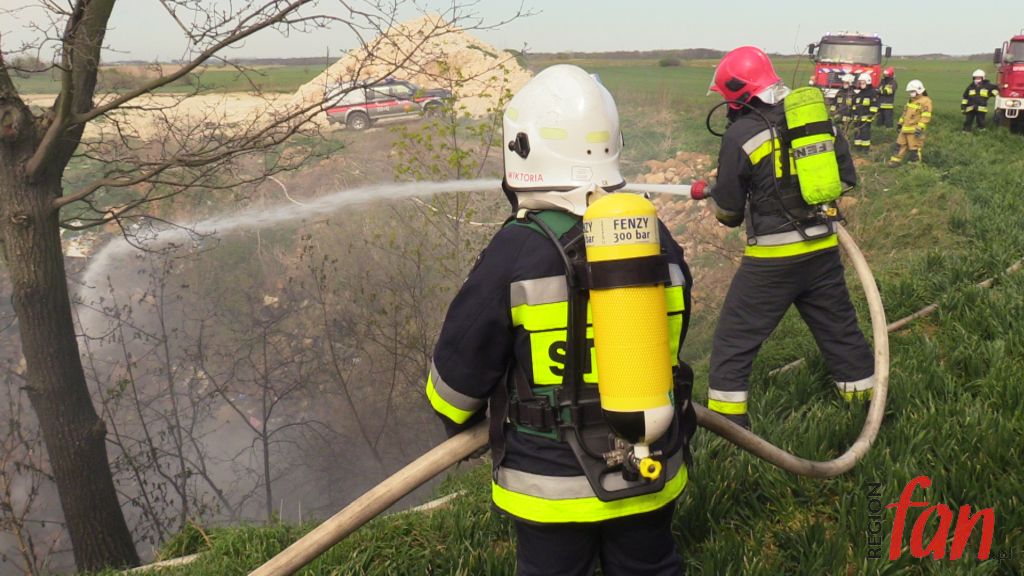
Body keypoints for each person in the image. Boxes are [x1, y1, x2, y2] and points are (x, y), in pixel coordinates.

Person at [425, 64, 696, 576]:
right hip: (650, 463)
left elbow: (457, 380)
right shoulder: (655, 237)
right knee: (651, 567)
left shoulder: (516, 249)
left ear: (522, 149)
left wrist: (457, 421)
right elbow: (676, 331)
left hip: (551, 484)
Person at [704, 46, 875, 429]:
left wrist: (716, 193)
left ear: (738, 93)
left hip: (773, 260)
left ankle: (727, 428)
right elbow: (844, 177)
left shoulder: (741, 134)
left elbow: (729, 212)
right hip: (823, 248)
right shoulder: (814, 120)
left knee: (734, 339)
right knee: (840, 330)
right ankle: (864, 404)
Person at [889, 79, 933, 165]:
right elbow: (905, 113)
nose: (911, 93)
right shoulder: (911, 100)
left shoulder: (926, 101)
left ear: (919, 90)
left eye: (912, 91)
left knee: (914, 148)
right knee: (899, 145)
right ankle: (895, 161)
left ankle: (914, 165)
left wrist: (920, 127)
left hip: (915, 130)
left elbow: (926, 116)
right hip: (905, 129)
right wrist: (900, 123)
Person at [850, 73, 879, 151]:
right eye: (860, 82)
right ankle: (858, 148)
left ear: (868, 82)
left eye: (863, 82)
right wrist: (852, 113)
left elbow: (874, 105)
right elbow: (854, 104)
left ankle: (865, 149)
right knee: (857, 133)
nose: (861, 84)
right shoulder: (859, 93)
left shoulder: (872, 93)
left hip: (866, 119)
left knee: (865, 133)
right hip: (857, 118)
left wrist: (870, 116)